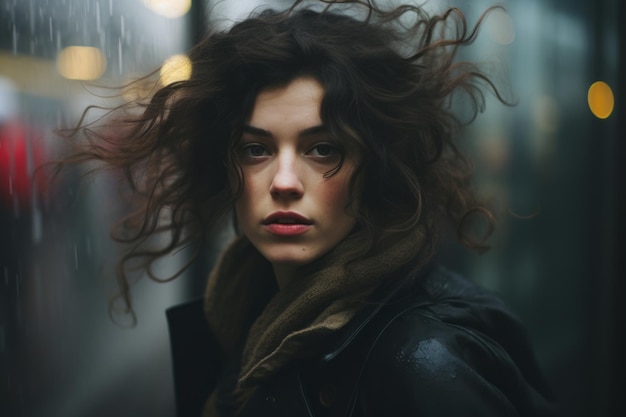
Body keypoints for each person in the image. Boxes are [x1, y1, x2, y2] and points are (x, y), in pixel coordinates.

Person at [57, 0, 558, 416]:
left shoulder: (424, 362)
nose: (285, 182)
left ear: (377, 168)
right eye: (256, 149)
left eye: (324, 149)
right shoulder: (242, 316)